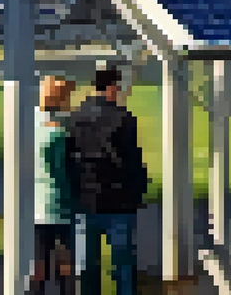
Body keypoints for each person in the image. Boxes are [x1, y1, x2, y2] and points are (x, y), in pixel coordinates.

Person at [67, 65, 149, 295]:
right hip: (118, 201)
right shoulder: (124, 118)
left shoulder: (76, 118)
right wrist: (138, 191)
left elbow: (69, 159)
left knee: (87, 268)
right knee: (123, 265)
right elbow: (133, 161)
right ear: (113, 87)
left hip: (85, 199)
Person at [32, 75, 76, 295]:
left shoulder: (29, 122)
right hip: (61, 204)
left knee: (38, 264)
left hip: (35, 205)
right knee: (66, 264)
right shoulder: (62, 131)